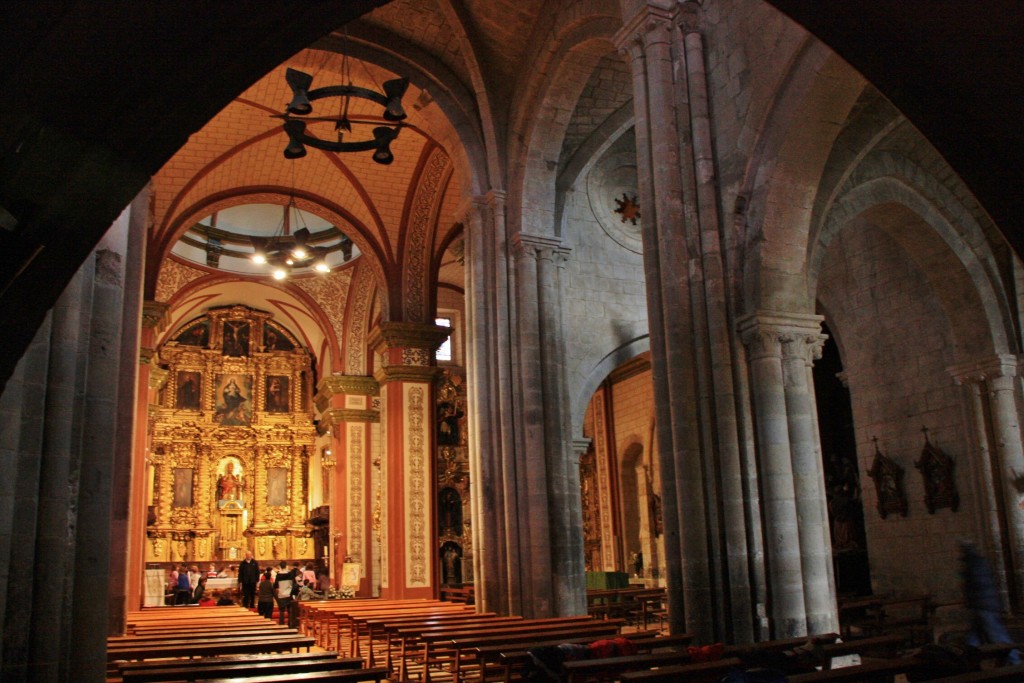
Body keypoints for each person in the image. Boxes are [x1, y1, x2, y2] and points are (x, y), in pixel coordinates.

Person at [959, 540, 1020, 665]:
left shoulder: (975, 563)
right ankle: (967, 661)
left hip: (984, 605)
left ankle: (1015, 662)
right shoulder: (975, 562)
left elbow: (980, 583)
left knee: (997, 636)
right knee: (973, 637)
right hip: (981, 604)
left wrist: (969, 588)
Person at [273, 561, 296, 625]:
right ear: (286, 566)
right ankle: (290, 624)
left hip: (281, 594)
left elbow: (275, 585)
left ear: (280, 566)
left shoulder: (278, 575)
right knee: (290, 611)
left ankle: (281, 624)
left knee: (282, 611)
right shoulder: (290, 574)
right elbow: (294, 584)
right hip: (289, 594)